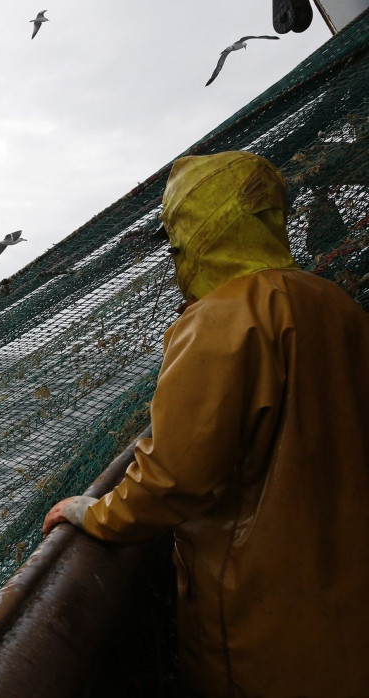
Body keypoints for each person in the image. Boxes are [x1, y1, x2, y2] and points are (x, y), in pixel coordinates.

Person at [42, 150, 369, 697]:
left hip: (262, 620)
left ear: (197, 230)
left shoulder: (220, 319)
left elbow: (173, 477)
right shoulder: (338, 305)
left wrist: (93, 513)